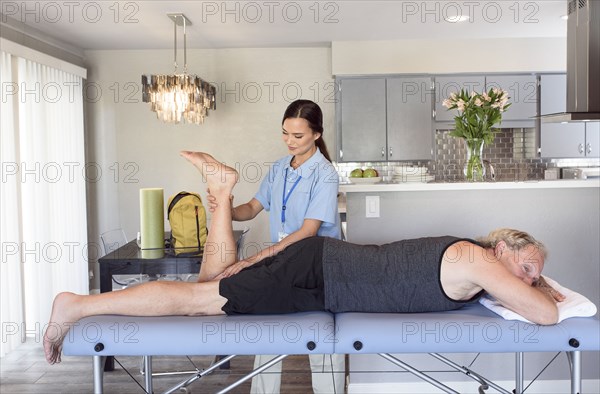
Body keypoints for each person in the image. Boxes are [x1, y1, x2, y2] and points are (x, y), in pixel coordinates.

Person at [44, 151, 565, 368]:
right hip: (316, 272)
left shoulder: (477, 263)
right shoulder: (480, 260)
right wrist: (542, 291)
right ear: (502, 248)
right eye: (527, 267)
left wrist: (534, 283)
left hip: (318, 273)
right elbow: (544, 314)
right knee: (197, 300)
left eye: (533, 275)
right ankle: (76, 305)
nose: (529, 279)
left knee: (209, 281)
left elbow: (532, 300)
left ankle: (222, 196)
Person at [207, 99, 344, 393]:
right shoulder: (280, 167)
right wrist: (225, 209)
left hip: (319, 265)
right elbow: (253, 207)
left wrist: (253, 259)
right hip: (284, 259)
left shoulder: (325, 174)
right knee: (265, 326)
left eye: (298, 136)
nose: (289, 142)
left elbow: (308, 231)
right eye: (285, 133)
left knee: (321, 339)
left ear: (316, 134)